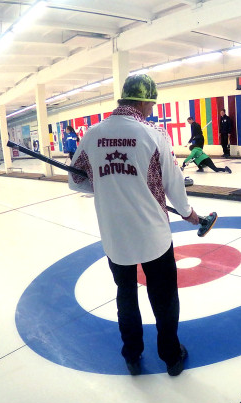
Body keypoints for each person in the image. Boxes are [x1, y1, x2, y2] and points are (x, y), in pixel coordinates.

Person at [69, 74, 200, 377]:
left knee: (125, 294)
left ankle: (132, 355)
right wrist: (187, 211)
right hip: (152, 233)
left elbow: (76, 179)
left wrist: (103, 186)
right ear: (144, 101)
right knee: (164, 297)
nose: (152, 109)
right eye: (152, 103)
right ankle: (170, 356)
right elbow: (173, 182)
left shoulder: (92, 135)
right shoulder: (152, 134)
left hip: (115, 235)